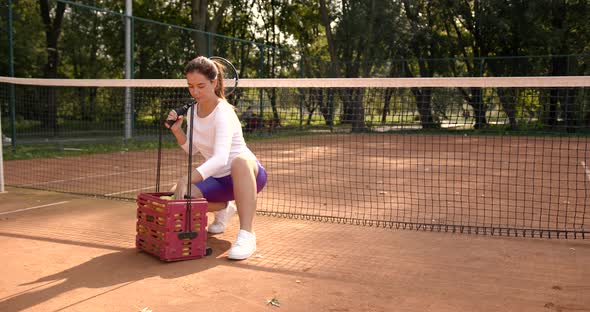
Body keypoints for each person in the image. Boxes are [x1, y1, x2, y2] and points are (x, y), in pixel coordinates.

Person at [165, 56, 267, 260]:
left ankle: (247, 234)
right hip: (218, 179)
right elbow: (193, 149)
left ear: (214, 82)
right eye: (191, 86)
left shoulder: (224, 112)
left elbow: (221, 158)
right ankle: (224, 207)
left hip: (247, 174)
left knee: (238, 161)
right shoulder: (193, 111)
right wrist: (178, 132)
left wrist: (187, 178)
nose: (195, 92)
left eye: (201, 86)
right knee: (176, 196)